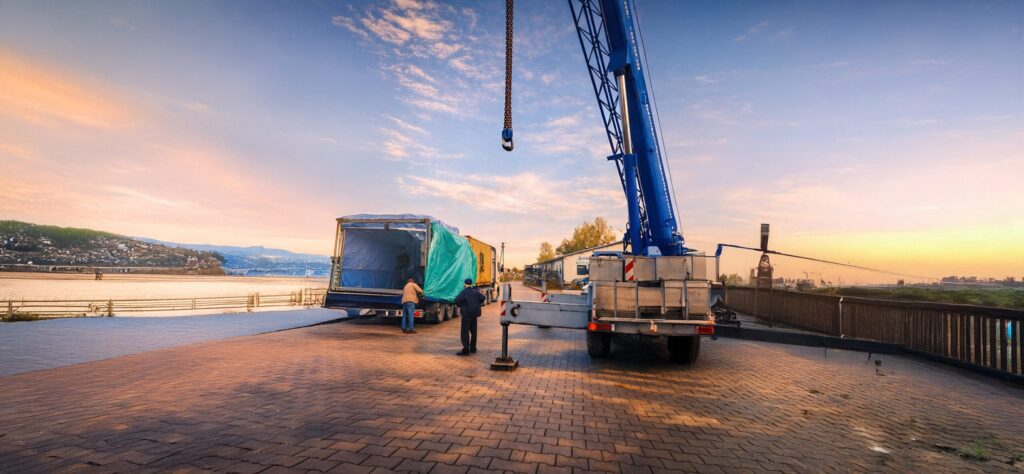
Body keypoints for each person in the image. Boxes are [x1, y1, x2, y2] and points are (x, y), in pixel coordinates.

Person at [454, 278, 486, 356]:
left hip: (466, 315)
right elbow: (483, 297)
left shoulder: (464, 292)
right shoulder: (476, 292)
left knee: (465, 332)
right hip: (474, 315)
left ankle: (466, 350)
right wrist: (477, 303)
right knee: (473, 332)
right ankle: (473, 348)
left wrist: (461, 306)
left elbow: (457, 300)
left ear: (465, 284)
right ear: (471, 284)